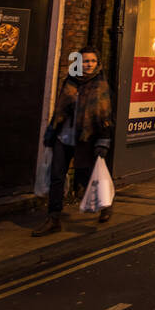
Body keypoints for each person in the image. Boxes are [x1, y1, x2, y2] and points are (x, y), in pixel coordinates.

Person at [33, 46, 113, 236]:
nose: (89, 65)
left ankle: (105, 204)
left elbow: (105, 115)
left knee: (84, 175)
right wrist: (51, 133)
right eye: (86, 61)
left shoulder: (100, 85)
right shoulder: (69, 80)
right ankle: (53, 218)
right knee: (57, 176)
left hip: (85, 137)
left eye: (93, 61)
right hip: (63, 136)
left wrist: (103, 141)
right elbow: (59, 108)